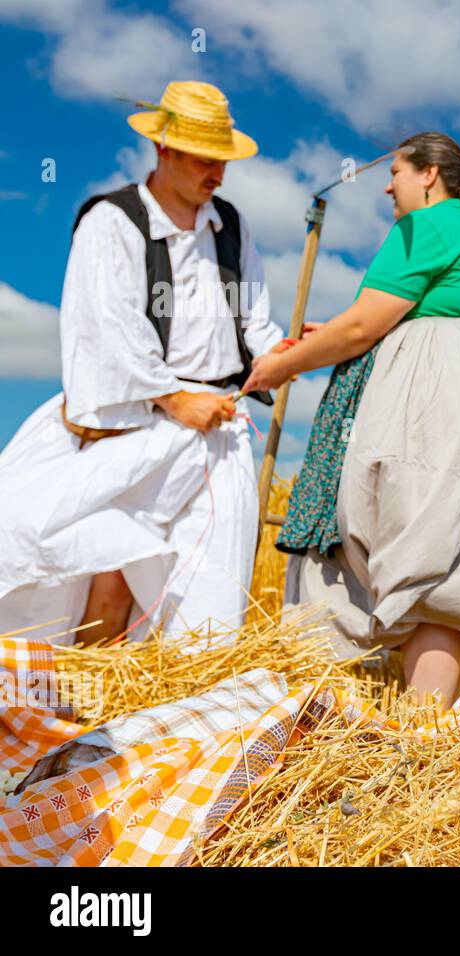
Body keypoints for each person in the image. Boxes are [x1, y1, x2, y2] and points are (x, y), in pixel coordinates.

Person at [243, 132, 460, 714]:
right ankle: (422, 741)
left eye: (398, 172)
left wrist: (280, 366)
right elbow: (387, 316)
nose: (387, 184)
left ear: (429, 174)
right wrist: (326, 337)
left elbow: (363, 327)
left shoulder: (424, 224)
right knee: (451, 568)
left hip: (430, 387)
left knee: (402, 533)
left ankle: (349, 728)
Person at [0, 81, 283, 647]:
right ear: (165, 151)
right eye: (206, 159)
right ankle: (85, 710)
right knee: (103, 558)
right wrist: (175, 398)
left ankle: (178, 703)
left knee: (209, 585)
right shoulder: (112, 222)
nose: (218, 175)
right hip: (132, 423)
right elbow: (104, 327)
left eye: (223, 161)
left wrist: (288, 351)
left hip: (217, 432)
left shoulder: (232, 228)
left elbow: (254, 322)